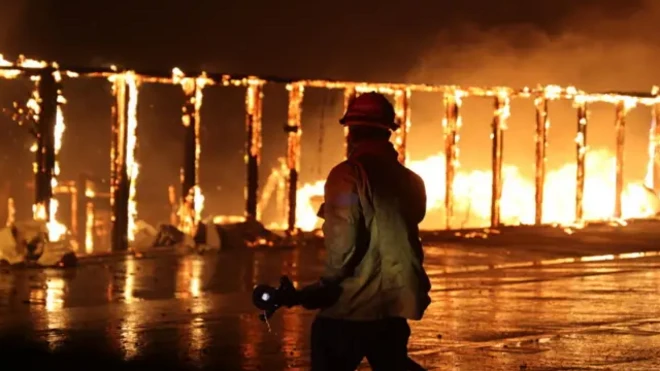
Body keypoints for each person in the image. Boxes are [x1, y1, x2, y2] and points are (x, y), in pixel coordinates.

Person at [303, 92, 431, 371]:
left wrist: (326, 285)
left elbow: (344, 242)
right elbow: (410, 220)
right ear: (388, 131)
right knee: (391, 362)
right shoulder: (410, 180)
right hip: (395, 305)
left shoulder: (347, 175)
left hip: (352, 306)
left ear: (352, 132)